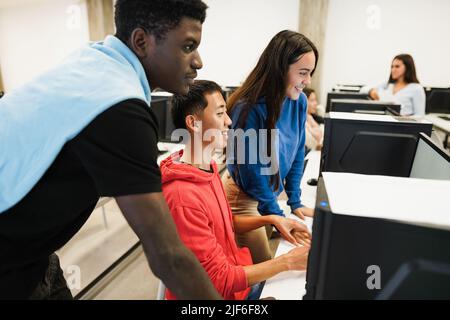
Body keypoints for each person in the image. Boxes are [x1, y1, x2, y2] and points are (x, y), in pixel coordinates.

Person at [0, 0, 222, 300]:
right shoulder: (119, 106)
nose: (198, 61)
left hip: (33, 256)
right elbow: (169, 258)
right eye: (187, 47)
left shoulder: (96, 61)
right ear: (141, 41)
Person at [161, 80, 311, 300]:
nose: (229, 121)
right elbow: (218, 280)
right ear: (193, 123)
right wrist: (287, 262)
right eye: (221, 113)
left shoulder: (207, 168)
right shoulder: (183, 196)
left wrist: (271, 220)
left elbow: (224, 223)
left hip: (237, 287)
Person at [223, 30, 318, 264]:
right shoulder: (249, 108)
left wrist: (295, 201)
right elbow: (252, 172)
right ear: (280, 69)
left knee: (280, 253)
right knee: (264, 268)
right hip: (243, 199)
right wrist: (276, 214)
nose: (308, 81)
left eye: (310, 73)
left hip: (268, 195)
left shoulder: (299, 102)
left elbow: (297, 152)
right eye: (303, 73)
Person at [361, 54, 426, 116]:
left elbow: (420, 115)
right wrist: (371, 91)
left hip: (404, 125)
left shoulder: (416, 88)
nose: (393, 70)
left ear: (408, 67)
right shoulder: (387, 84)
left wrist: (405, 118)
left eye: (397, 66)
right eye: (392, 67)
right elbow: (362, 90)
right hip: (386, 121)